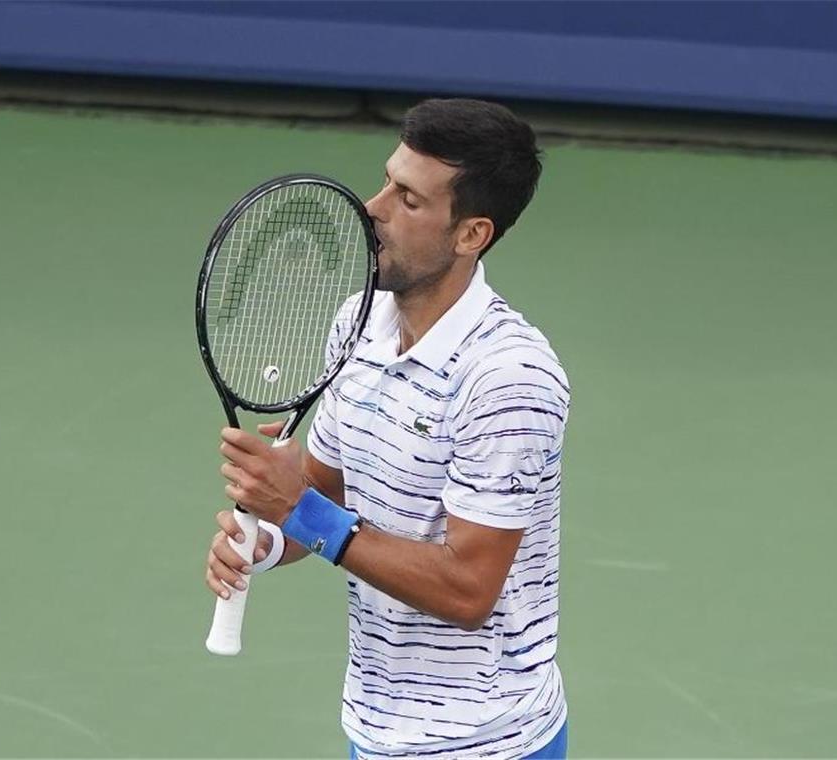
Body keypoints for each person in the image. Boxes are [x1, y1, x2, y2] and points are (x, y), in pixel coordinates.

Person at [205, 98, 570, 760]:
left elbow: (468, 591)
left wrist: (298, 509)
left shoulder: (508, 379)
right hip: (376, 730)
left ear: (471, 234)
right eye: (385, 182)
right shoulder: (360, 323)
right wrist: (268, 539)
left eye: (408, 199)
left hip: (484, 744)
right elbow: (330, 490)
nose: (371, 208)